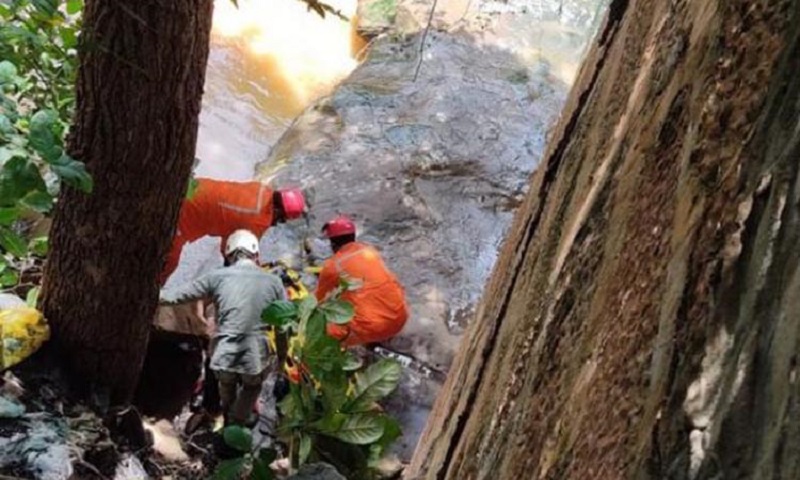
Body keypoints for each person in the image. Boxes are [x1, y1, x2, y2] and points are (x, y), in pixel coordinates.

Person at [159, 229, 286, 426]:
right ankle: (235, 427)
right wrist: (282, 360)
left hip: (222, 357)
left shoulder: (216, 277)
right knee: (251, 388)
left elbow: (175, 296)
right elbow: (282, 327)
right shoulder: (274, 282)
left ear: (228, 254)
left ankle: (227, 418)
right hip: (254, 359)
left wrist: (148, 293)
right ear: (256, 255)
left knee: (227, 391)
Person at [160, 178, 306, 284]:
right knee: (165, 262)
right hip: (182, 213)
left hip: (192, 188)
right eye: (281, 219)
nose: (277, 223)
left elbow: (231, 232)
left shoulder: (262, 190)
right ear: (278, 211)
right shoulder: (257, 221)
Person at [315, 216, 408, 346]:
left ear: (332, 243)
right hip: (400, 318)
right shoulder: (369, 251)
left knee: (318, 327)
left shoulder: (332, 266)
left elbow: (319, 302)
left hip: (372, 329)